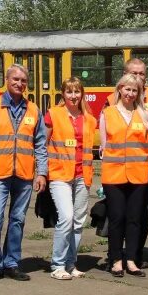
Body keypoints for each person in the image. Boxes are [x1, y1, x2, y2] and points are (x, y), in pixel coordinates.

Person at [0, 64, 48, 283]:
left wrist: (41, 173)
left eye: (23, 80)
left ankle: (12, 262)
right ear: (7, 80)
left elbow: (41, 144)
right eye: (15, 79)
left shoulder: (33, 109)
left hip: (24, 175)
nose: (19, 83)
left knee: (17, 220)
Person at [105, 58, 148, 263]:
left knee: (142, 213)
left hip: (146, 164)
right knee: (119, 215)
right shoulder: (112, 99)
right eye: (134, 73)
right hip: (119, 168)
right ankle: (117, 255)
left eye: (142, 74)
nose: (138, 78)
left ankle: (135, 253)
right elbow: (105, 139)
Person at [45, 77, 98, 280]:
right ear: (63, 94)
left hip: (82, 175)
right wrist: (41, 171)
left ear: (82, 94)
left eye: (77, 92)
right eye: (69, 92)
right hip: (59, 174)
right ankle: (57, 265)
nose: (74, 96)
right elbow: (42, 141)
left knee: (78, 222)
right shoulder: (53, 114)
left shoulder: (89, 119)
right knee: (66, 218)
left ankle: (70, 263)